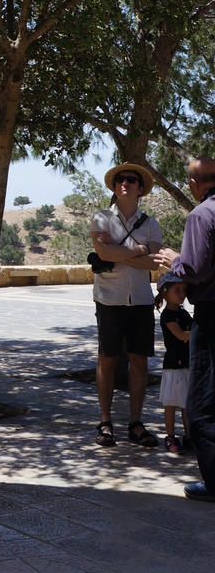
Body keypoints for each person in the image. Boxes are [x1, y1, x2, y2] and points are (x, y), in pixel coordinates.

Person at [153, 156, 215, 500]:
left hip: (210, 312)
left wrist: (173, 259)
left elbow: (195, 269)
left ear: (193, 184)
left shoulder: (201, 215)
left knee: (203, 400)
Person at [90, 162, 162, 447]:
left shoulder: (151, 224)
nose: (125, 183)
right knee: (107, 360)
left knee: (139, 361)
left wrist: (115, 253)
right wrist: (138, 250)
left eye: (131, 180)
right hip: (109, 299)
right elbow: (102, 252)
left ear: (140, 188)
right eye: (121, 179)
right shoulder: (101, 219)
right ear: (115, 187)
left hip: (141, 301)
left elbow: (154, 264)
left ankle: (136, 423)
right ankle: (106, 421)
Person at [154, 272, 191, 454]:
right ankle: (170, 436)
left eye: (184, 290)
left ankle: (189, 436)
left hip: (187, 364)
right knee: (171, 403)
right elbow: (181, 335)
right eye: (177, 290)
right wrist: (200, 331)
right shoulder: (168, 316)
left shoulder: (184, 314)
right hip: (174, 366)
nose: (182, 294)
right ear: (165, 293)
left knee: (187, 404)